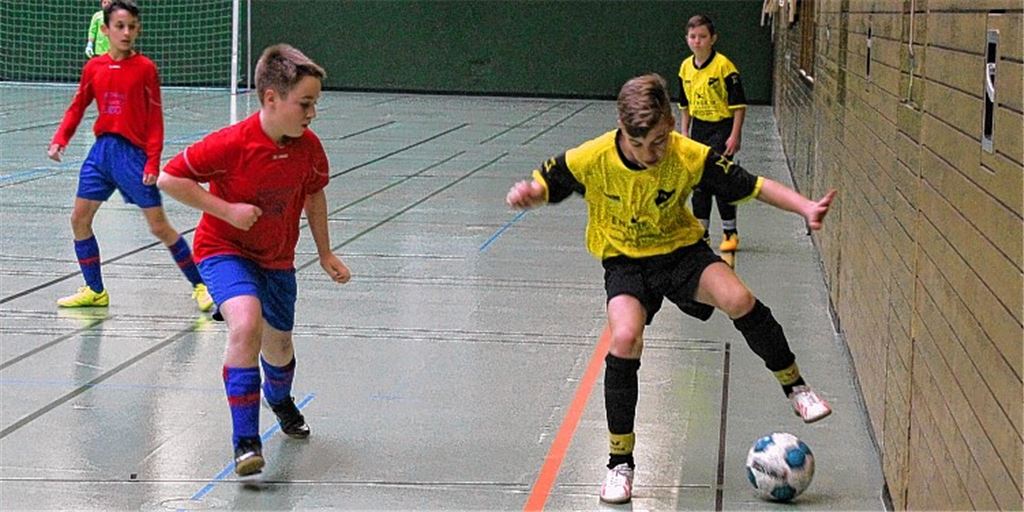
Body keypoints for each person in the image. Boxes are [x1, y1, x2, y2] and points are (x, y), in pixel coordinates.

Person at [505, 74, 834, 504]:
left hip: (680, 253)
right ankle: (619, 464)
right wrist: (533, 193)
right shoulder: (592, 157)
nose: (650, 155)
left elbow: (753, 186)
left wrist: (805, 206)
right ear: (621, 130)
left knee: (738, 298)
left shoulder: (690, 156)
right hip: (625, 262)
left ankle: (796, 388)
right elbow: (550, 181)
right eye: (638, 145)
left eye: (659, 141)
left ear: (671, 125)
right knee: (624, 338)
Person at [158, 44, 351, 477]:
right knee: (245, 323)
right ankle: (246, 443)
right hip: (224, 249)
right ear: (271, 99)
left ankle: (280, 400)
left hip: (277, 261)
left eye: (315, 104)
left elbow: (314, 195)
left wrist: (324, 252)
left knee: (278, 346)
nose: (312, 113)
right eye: (305, 103)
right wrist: (227, 211)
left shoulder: (309, 149)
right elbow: (170, 177)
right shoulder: (231, 143)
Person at [48, 0, 212, 312]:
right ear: (105, 29)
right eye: (119, 26)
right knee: (79, 219)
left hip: (132, 157)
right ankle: (95, 290)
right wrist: (61, 139)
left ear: (138, 30)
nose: (126, 33)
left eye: (132, 27)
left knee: (159, 226)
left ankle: (200, 284)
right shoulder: (93, 68)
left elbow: (155, 120)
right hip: (101, 154)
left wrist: (152, 161)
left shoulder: (145, 69)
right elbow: (78, 105)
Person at [678, 14, 747, 253]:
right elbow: (684, 106)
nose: (697, 41)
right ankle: (701, 233)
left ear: (713, 39)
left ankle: (730, 232)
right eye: (693, 36)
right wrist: (684, 132)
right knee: (699, 183)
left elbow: (739, 106)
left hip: (722, 127)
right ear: (687, 39)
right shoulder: (685, 67)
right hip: (699, 128)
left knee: (720, 180)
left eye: (702, 37)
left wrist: (734, 135)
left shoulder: (724, 67)